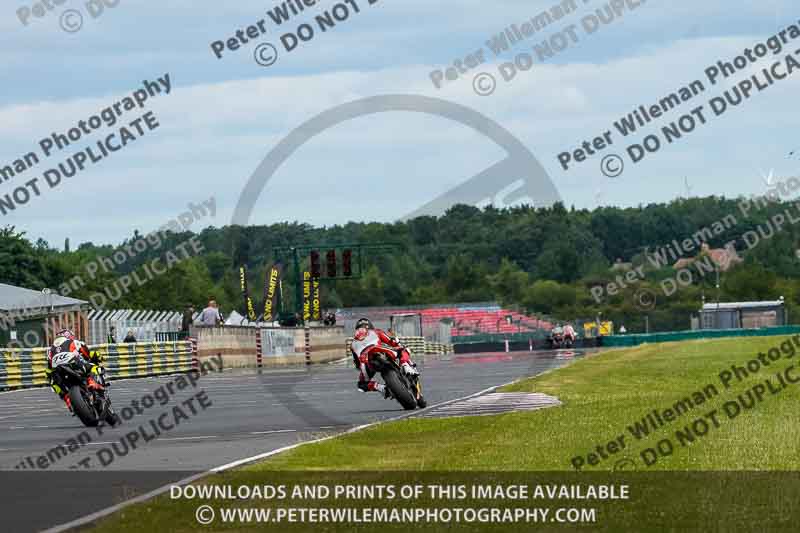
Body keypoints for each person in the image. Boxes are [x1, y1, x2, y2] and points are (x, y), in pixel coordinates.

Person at [350, 318, 417, 395]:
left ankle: (381, 388)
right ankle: (405, 365)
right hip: (379, 351)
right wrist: (397, 341)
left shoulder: (352, 344)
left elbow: (357, 364)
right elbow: (392, 342)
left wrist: (361, 366)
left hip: (365, 361)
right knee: (403, 349)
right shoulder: (376, 332)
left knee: (361, 385)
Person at [45, 329, 105, 413]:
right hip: (74, 365)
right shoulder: (73, 342)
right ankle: (91, 381)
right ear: (69, 336)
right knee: (93, 367)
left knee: (53, 383)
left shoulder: (50, 350)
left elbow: (48, 369)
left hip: (59, 371)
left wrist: (50, 377)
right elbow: (87, 353)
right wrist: (98, 356)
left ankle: (67, 400)